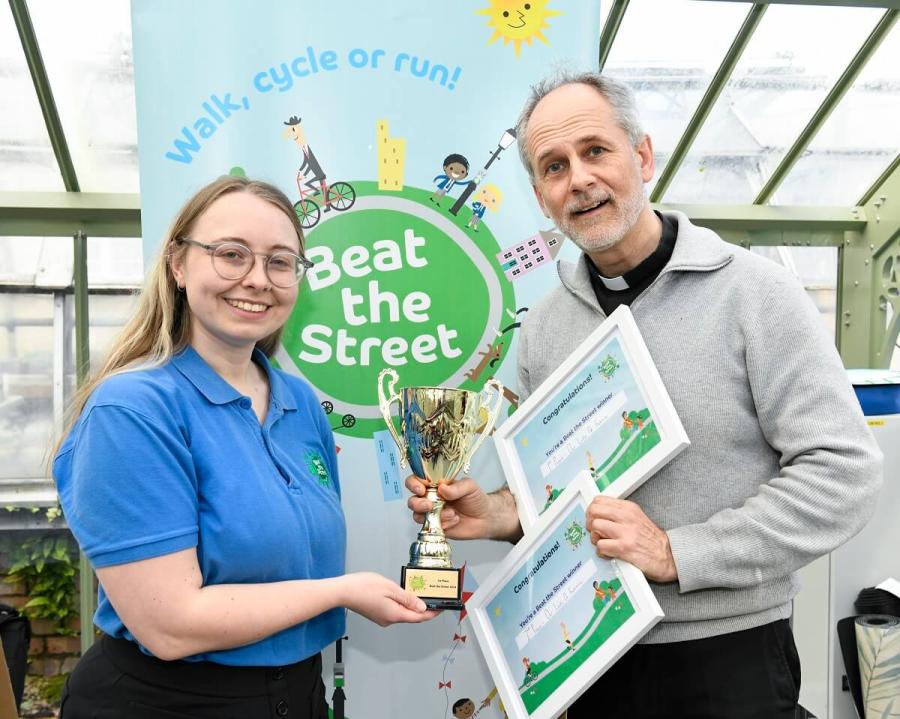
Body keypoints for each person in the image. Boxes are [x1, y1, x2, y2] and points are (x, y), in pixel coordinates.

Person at [407, 72, 883, 718]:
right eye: (553, 166)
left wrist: (677, 552)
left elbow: (844, 473)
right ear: (542, 199)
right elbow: (563, 493)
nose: (578, 178)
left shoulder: (756, 294)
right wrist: (497, 514)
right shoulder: (545, 325)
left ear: (643, 156)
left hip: (729, 657)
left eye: (595, 151)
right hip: (591, 660)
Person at [54, 176, 434, 718]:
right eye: (231, 255)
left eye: (280, 262)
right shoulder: (132, 410)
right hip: (167, 704)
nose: (258, 280)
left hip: (296, 695)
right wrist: (341, 591)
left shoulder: (299, 402)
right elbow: (170, 625)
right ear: (178, 265)